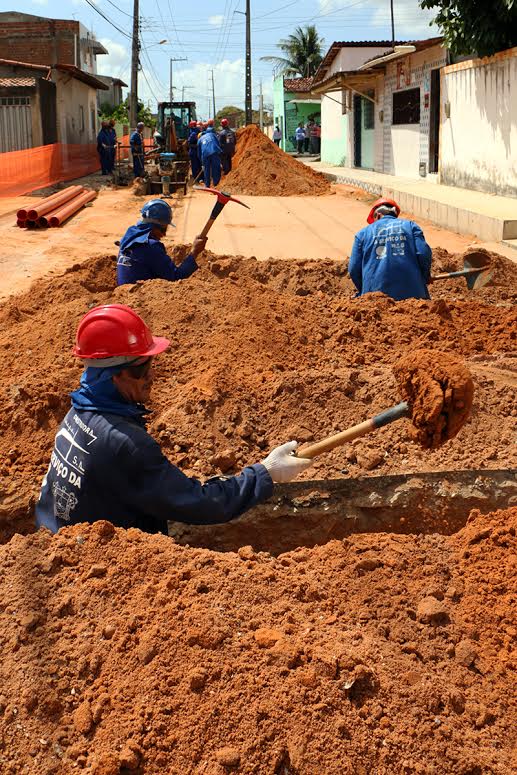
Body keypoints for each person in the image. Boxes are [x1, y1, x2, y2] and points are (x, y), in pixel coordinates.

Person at [35, 304, 312, 535]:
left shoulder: (78, 412)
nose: (151, 376)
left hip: (56, 538)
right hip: (97, 567)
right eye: (142, 369)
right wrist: (265, 473)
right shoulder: (126, 445)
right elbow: (200, 503)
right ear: (114, 375)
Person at [348, 198, 433, 301]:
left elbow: (353, 268)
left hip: (375, 298)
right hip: (413, 296)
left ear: (377, 215)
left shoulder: (362, 234)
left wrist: (364, 290)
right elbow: (423, 253)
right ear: (394, 214)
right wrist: (425, 277)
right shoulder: (411, 226)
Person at [117, 199, 206, 286]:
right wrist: (194, 252)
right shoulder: (151, 246)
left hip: (121, 293)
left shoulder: (128, 239)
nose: (164, 234)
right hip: (140, 295)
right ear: (157, 226)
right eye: (164, 229)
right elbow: (176, 277)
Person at [198, 123, 222, 187]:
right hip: (214, 152)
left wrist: (202, 163)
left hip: (205, 155)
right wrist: (219, 152)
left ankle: (207, 185)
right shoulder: (212, 135)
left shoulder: (199, 140)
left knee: (206, 170)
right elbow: (218, 143)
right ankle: (216, 184)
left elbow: (199, 153)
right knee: (215, 168)